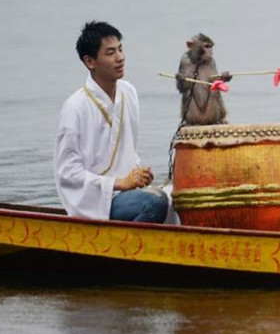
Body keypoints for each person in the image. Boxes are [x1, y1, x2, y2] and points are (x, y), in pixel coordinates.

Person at [54, 21, 168, 223]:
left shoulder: (128, 93)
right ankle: (127, 252)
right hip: (96, 201)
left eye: (120, 49)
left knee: (174, 196)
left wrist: (138, 174)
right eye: (110, 53)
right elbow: (68, 173)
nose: (120, 58)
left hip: (127, 193)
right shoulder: (75, 108)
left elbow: (129, 150)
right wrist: (118, 183)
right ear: (90, 62)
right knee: (155, 202)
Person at [175, 32, 232, 126]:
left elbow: (215, 83)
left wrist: (224, 78)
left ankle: (217, 118)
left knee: (214, 89)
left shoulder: (211, 61)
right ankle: (192, 121)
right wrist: (181, 80)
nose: (211, 51)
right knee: (189, 89)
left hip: (212, 110)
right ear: (191, 46)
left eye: (211, 47)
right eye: (207, 47)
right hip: (193, 111)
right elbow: (182, 89)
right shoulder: (185, 61)